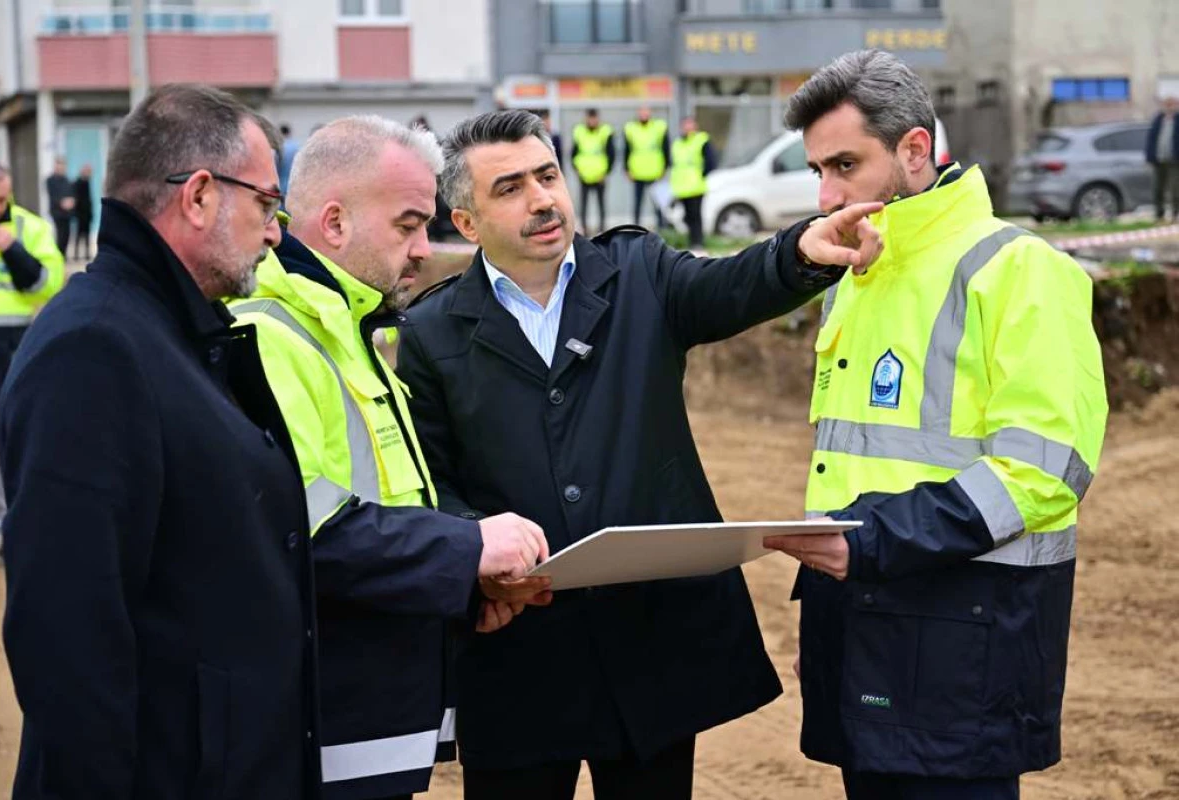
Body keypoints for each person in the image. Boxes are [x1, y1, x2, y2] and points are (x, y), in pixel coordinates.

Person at [397, 108, 884, 800]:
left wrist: (801, 251)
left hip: (647, 647)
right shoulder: (432, 329)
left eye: (547, 176)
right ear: (467, 222)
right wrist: (475, 552)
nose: (542, 200)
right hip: (519, 657)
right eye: (509, 189)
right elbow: (427, 480)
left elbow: (730, 287)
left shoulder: (638, 272)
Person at [762, 50, 1108, 800]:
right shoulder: (859, 271)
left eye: (844, 164)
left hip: (963, 649)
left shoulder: (1018, 270)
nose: (825, 193)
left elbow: (1044, 473)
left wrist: (872, 543)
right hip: (869, 629)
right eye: (817, 170)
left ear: (914, 149)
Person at [0, 83, 320, 800]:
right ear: (200, 195)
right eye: (268, 204)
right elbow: (68, 641)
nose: (276, 233)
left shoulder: (170, 331)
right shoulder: (94, 348)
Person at [230, 115, 552, 800]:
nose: (423, 250)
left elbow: (391, 509)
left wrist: (464, 590)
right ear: (335, 223)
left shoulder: (355, 331)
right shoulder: (271, 339)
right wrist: (467, 549)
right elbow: (304, 532)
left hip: (366, 717)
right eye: (408, 224)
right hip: (324, 724)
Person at [0, 162, 64, 554]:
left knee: (1, 454)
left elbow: (48, 287)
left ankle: (3, 530)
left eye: (1, 199)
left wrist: (12, 249)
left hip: (5, 360)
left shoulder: (28, 228)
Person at [670, 116, 715, 248]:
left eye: (690, 125)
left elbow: (711, 161)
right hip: (681, 187)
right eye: (685, 125)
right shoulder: (677, 143)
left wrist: (701, 175)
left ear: (695, 126)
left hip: (695, 185)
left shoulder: (701, 140)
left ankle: (698, 242)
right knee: (687, 217)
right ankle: (691, 241)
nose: (687, 128)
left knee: (696, 216)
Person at [623, 105, 670, 228]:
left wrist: (665, 167)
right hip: (637, 172)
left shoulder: (659, 127)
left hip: (655, 172)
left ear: (650, 113)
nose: (644, 114)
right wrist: (627, 169)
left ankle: (662, 227)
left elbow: (666, 149)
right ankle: (636, 227)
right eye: (641, 112)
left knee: (658, 202)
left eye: (646, 112)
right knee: (638, 203)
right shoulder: (631, 128)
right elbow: (626, 150)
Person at [570, 108, 614, 235]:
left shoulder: (605, 132)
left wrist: (606, 173)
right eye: (590, 118)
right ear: (586, 118)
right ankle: (584, 229)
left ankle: (602, 229)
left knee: (601, 204)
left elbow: (611, 154)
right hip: (584, 176)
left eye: (594, 118)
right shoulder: (579, 132)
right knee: (584, 205)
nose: (592, 121)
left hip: (600, 176)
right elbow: (573, 154)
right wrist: (577, 170)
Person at [1146, 96, 1179, 221]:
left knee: (1175, 190)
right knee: (1158, 189)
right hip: (1158, 160)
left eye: (1172, 104)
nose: (1169, 107)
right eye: (1167, 104)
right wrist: (1149, 157)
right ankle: (1159, 215)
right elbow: (1151, 140)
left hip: (1174, 161)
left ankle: (1175, 215)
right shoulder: (1158, 120)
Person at [45, 156, 75, 255]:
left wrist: (71, 201)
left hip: (67, 213)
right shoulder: (50, 180)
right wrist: (62, 203)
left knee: (67, 235)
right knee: (60, 235)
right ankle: (59, 256)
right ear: (55, 166)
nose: (61, 167)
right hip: (57, 212)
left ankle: (63, 255)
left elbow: (71, 193)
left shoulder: (66, 179)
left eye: (63, 165)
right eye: (59, 165)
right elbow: (52, 195)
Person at [72, 163, 95, 260]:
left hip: (87, 214)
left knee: (86, 235)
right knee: (78, 235)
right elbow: (78, 199)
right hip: (80, 214)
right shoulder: (78, 183)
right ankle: (76, 254)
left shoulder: (87, 182)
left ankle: (86, 253)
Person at [278, 122, 300, 196]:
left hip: (280, 183)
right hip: (294, 182)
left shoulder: (278, 147)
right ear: (289, 133)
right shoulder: (296, 146)